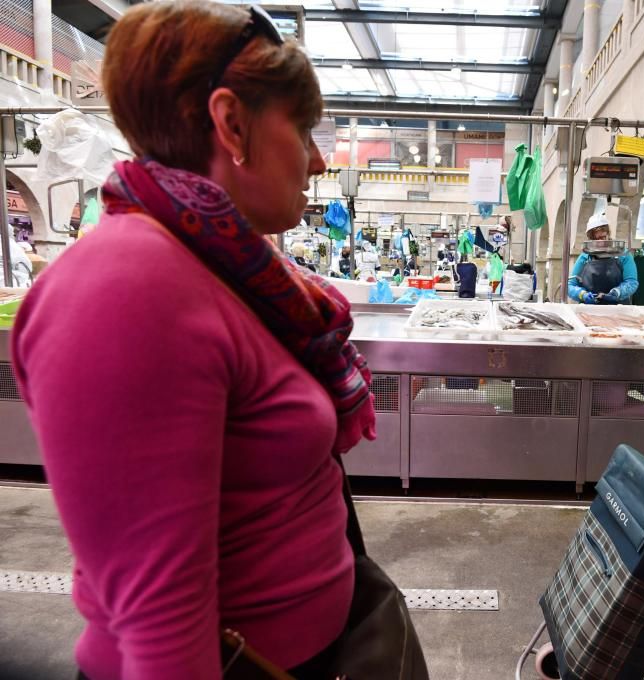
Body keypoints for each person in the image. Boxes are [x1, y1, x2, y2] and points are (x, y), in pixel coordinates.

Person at [10, 2, 377, 677]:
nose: (319, 160)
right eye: (303, 128)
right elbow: (160, 618)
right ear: (231, 123)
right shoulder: (129, 287)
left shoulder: (225, 266)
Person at [567, 213, 638, 304]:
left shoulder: (623, 254)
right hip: (590, 310)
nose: (600, 241)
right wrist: (582, 294)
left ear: (608, 233)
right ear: (591, 238)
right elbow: (570, 285)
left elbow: (632, 282)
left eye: (603, 237)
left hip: (618, 309)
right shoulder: (585, 256)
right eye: (597, 239)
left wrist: (618, 292)